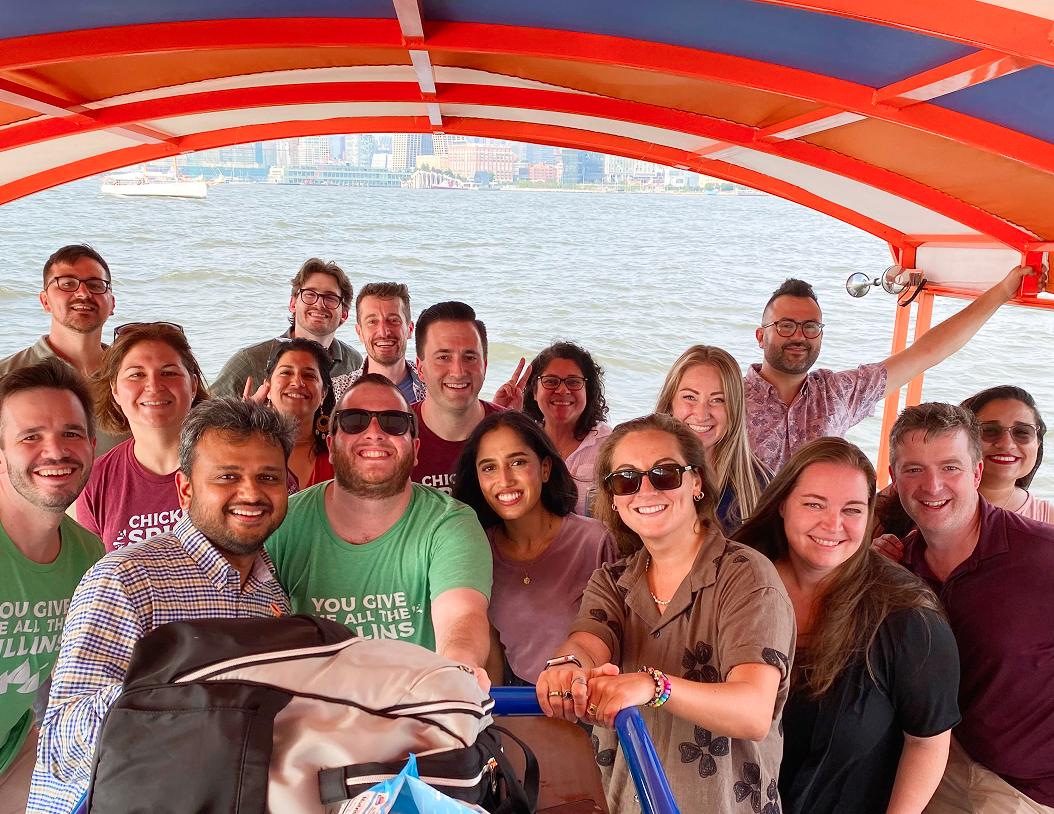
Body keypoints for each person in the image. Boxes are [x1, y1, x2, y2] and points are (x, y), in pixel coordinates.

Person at [26, 398, 293, 814]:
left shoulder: (269, 591)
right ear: (186, 489)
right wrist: (176, 690)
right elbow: (59, 746)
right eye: (227, 476)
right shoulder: (126, 579)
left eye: (268, 477)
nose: (251, 493)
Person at [536, 413, 794, 814]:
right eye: (626, 479)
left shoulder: (747, 577)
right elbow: (589, 641)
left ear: (696, 483)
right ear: (614, 498)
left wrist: (653, 686)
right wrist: (569, 667)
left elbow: (753, 711)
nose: (645, 489)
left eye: (665, 474)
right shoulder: (613, 579)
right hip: (624, 800)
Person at [734, 437, 959, 814]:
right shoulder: (734, 584)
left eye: (852, 509)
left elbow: (928, 741)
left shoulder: (907, 617)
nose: (833, 524)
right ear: (782, 506)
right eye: (814, 504)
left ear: (870, 517)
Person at [265, 373, 493, 688]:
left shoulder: (449, 523)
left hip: (420, 711)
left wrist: (456, 671)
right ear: (331, 446)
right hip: (317, 713)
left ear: (415, 449)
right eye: (354, 421)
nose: (374, 433)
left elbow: (462, 616)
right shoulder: (285, 524)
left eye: (394, 422)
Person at [889, 402, 1054, 812]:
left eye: (950, 468)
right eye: (914, 470)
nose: (932, 486)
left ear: (977, 473)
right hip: (937, 764)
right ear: (893, 477)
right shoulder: (898, 566)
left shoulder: (1042, 553)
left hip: (1025, 788)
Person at [746, 265, 1032, 472]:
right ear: (761, 336)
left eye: (810, 327)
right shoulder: (727, 397)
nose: (798, 336)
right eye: (785, 326)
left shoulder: (838, 393)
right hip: (741, 542)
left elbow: (925, 353)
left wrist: (1002, 292)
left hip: (819, 541)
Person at [0, 360, 104, 814]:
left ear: (93, 445)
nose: (55, 451)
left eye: (71, 433)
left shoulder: (88, 554)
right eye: (30, 437)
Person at [452, 411, 616, 685]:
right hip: (518, 705)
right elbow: (492, 655)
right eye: (489, 467)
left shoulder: (596, 541)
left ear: (545, 468)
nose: (504, 480)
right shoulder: (479, 549)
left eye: (517, 462)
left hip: (592, 700)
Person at [74, 322, 209, 551]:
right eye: (137, 374)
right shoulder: (96, 480)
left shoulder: (236, 461)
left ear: (193, 385)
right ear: (115, 389)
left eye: (168, 373)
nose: (154, 386)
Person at [0, 245, 124, 455]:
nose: (83, 293)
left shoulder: (138, 378)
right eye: (67, 284)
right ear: (45, 301)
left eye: (95, 285)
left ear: (111, 303)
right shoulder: (5, 376)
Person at [656, 345, 770, 534]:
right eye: (690, 397)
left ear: (734, 409)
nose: (701, 414)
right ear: (670, 404)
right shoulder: (639, 476)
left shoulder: (761, 484)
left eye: (718, 400)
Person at [210, 258, 363, 398]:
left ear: (344, 314)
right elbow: (200, 414)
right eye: (309, 294)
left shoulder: (352, 361)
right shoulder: (251, 360)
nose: (319, 304)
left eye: (330, 298)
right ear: (292, 304)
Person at [410, 301, 503, 493]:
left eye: (469, 357)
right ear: (420, 368)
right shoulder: (392, 432)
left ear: (484, 365)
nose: (458, 372)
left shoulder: (514, 432)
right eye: (443, 357)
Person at [522, 342, 611, 516]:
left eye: (573, 382)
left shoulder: (609, 445)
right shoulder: (522, 441)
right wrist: (501, 411)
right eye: (551, 381)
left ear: (588, 391)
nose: (562, 389)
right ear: (534, 391)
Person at [960, 385, 1052, 522]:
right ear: (961, 438)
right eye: (990, 430)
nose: (1006, 444)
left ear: (1038, 444)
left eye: (1022, 432)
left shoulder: (1048, 519)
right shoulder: (932, 501)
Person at [256, 337, 335, 492]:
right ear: (268, 387)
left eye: (309, 375)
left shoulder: (339, 452)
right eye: (286, 372)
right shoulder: (247, 446)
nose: (297, 382)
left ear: (324, 393)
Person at [331, 282, 426, 405]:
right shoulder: (337, 392)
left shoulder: (433, 386)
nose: (384, 332)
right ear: (359, 332)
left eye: (393, 320)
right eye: (372, 322)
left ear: (410, 329)